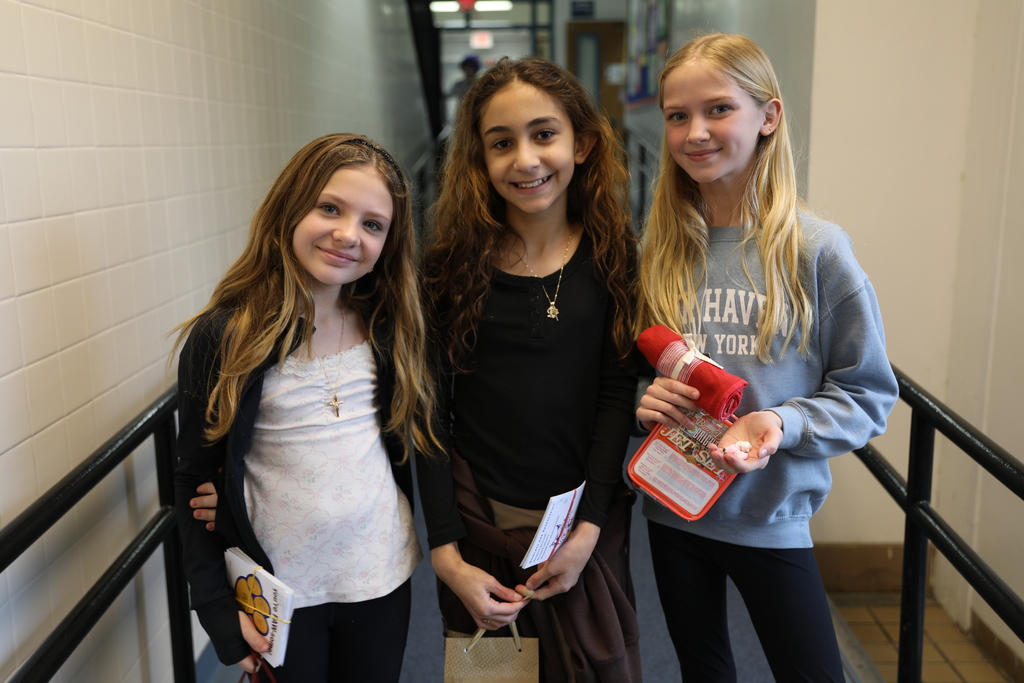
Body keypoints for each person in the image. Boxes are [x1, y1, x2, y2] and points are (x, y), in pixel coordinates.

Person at [634, 33, 899, 682]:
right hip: (676, 504)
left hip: (770, 517)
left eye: (718, 109)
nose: (696, 131)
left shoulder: (816, 250)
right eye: (677, 115)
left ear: (768, 117)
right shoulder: (662, 246)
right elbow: (653, 364)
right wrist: (648, 399)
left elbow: (868, 393)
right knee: (704, 669)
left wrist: (783, 423)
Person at [173, 133, 439, 683]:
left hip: (379, 576)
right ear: (291, 208)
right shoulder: (227, 337)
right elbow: (191, 479)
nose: (348, 234)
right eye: (330, 208)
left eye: (373, 224)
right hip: (281, 593)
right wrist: (218, 611)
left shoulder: (387, 327)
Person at [419, 56, 642, 681]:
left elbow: (614, 397)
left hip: (582, 529)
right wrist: (446, 557)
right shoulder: (449, 269)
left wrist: (589, 531)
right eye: (501, 143)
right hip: (480, 531)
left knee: (592, 668)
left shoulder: (614, 259)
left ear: (583, 142)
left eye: (544, 134)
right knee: (492, 675)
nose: (525, 159)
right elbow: (428, 413)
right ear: (479, 160)